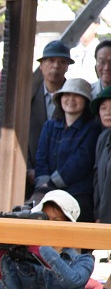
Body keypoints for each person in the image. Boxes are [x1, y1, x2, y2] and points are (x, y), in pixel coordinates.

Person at [0, 190, 94, 289]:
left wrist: (39, 248)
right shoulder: (21, 255)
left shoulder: (83, 260)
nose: (48, 225)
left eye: (56, 221)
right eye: (44, 218)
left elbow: (70, 280)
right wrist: (0, 258)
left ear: (69, 226)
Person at [33, 78, 102, 221]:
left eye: (77, 96)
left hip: (78, 193)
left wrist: (52, 183)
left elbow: (82, 161)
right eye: (66, 95)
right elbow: (41, 157)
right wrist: (43, 183)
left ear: (86, 101)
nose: (71, 99)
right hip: (47, 191)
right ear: (60, 99)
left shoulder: (93, 128)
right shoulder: (50, 125)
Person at [29, 40, 71, 173]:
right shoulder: (28, 97)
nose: (56, 66)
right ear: (41, 65)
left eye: (62, 62)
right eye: (51, 60)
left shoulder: (75, 99)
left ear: (67, 67)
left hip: (66, 175)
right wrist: (27, 170)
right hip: (30, 173)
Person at [93, 86, 111, 223]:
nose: (108, 113)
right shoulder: (103, 137)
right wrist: (98, 213)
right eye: (103, 108)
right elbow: (96, 175)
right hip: (104, 216)